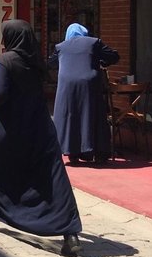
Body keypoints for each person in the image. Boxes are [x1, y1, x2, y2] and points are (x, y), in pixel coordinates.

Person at [0, 20, 83, 257]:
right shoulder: (36, 61)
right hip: (40, 128)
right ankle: (70, 233)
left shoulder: (5, 60)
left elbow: (1, 98)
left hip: (10, 130)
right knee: (52, 179)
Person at [49, 23, 119, 164]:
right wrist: (100, 60)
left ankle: (72, 151)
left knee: (70, 116)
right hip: (89, 84)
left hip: (67, 86)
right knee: (92, 114)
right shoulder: (94, 42)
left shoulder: (61, 46)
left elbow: (51, 63)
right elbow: (114, 56)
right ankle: (97, 151)